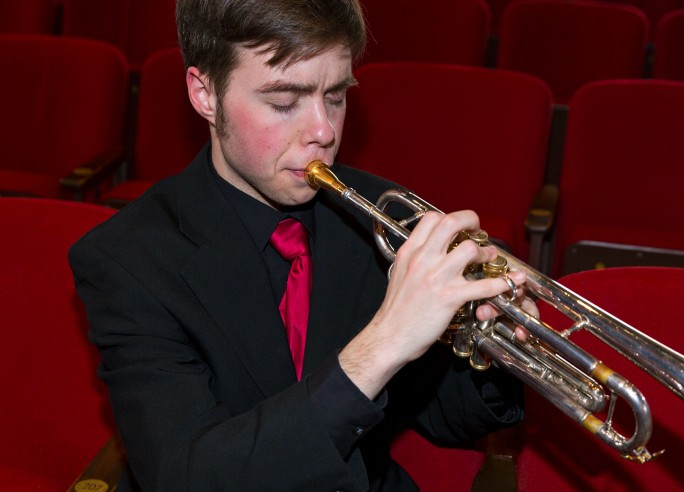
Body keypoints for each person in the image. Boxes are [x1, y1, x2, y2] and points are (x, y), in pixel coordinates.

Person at [69, 0, 535, 490]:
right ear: (205, 94)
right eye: (284, 102)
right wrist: (382, 345)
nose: (323, 131)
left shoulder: (383, 217)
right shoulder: (127, 260)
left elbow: (443, 416)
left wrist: (496, 347)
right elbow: (187, 475)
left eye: (335, 96)